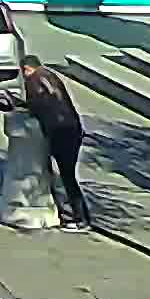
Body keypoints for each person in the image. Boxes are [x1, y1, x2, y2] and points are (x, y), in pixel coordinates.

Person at [18, 55, 93, 230]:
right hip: (72, 129)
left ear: (27, 69)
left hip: (60, 132)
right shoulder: (50, 75)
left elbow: (36, 105)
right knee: (66, 175)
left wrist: (23, 107)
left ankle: (79, 218)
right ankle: (77, 215)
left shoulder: (35, 79)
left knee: (63, 176)